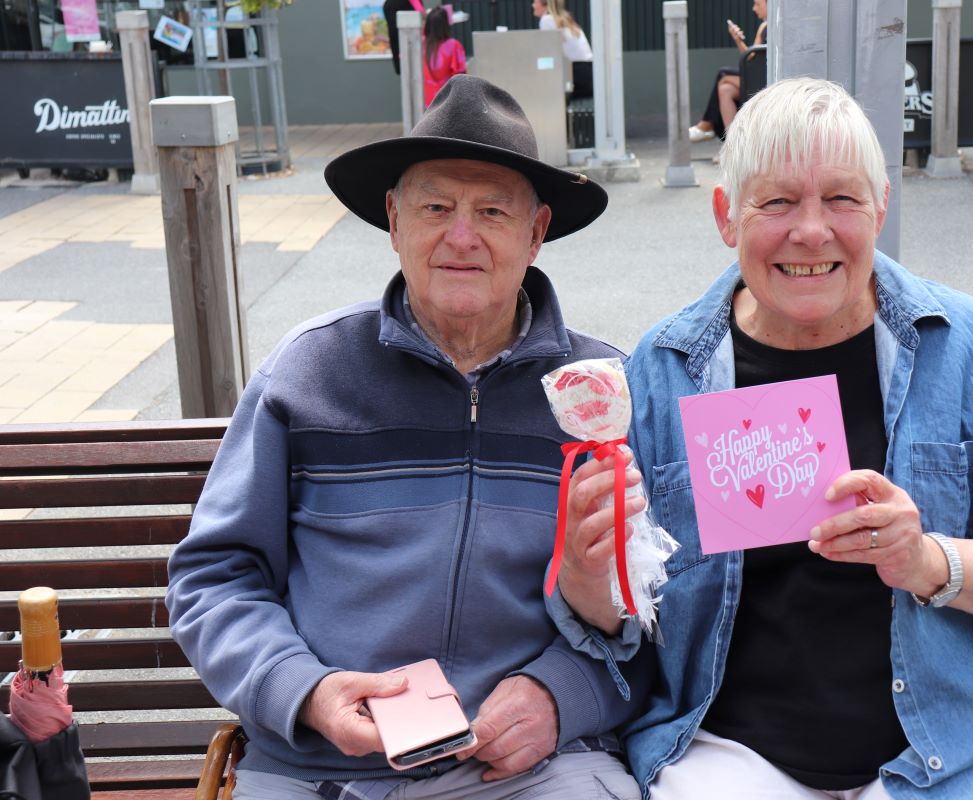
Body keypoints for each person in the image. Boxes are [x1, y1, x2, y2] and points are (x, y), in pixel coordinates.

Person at [551, 78, 973, 799]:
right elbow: (621, 623)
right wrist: (588, 574)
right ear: (727, 216)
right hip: (735, 753)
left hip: (962, 746)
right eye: (777, 201)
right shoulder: (665, 370)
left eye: (842, 199)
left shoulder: (968, 347)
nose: (811, 231)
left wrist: (929, 561)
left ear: (880, 207)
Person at [166, 75, 647, 800]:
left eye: (491, 211)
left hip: (531, 768)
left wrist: (562, 695)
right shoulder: (309, 372)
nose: (462, 236)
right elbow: (213, 578)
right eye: (435, 207)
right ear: (394, 220)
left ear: (536, 231)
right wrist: (306, 691)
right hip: (319, 768)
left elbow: (668, 608)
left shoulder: (602, 394)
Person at [688, 0, 767, 143]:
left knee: (723, 74)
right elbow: (751, 60)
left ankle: (706, 125)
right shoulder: (763, 27)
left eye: (758, 4)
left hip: (767, 82)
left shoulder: (775, 27)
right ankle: (732, 145)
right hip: (758, 79)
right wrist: (737, 39)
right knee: (725, 90)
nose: (754, 9)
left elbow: (751, 62)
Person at [532, 0, 592, 99]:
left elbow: (547, 53)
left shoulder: (546, 20)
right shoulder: (566, 20)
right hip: (588, 73)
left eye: (535, 2)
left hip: (576, 75)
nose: (533, 5)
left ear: (545, 5)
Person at [422, 6, 465, 107]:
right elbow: (461, 77)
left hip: (427, 105)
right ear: (446, 25)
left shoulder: (420, 46)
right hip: (448, 104)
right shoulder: (454, 46)